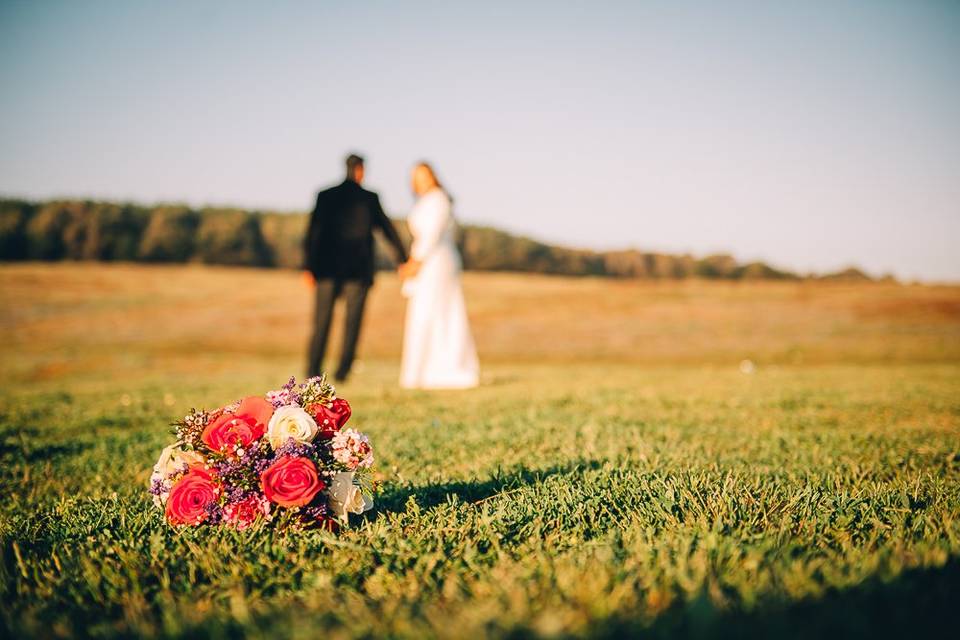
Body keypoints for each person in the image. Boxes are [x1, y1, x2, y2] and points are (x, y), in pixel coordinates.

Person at [304, 154, 407, 382]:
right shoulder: (369, 198)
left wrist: (309, 266)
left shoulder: (326, 195)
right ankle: (342, 371)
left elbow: (313, 233)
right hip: (357, 269)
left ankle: (312, 370)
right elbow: (387, 230)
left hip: (326, 268)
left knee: (321, 320)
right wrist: (403, 258)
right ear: (361, 170)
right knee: (353, 322)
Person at [398, 162, 479, 389]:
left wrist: (416, 262)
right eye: (416, 177)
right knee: (424, 312)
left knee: (437, 311)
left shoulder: (438, 199)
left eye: (424, 175)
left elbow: (432, 235)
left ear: (433, 177)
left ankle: (444, 368)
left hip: (436, 262)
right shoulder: (425, 202)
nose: (420, 181)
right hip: (426, 259)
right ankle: (422, 370)